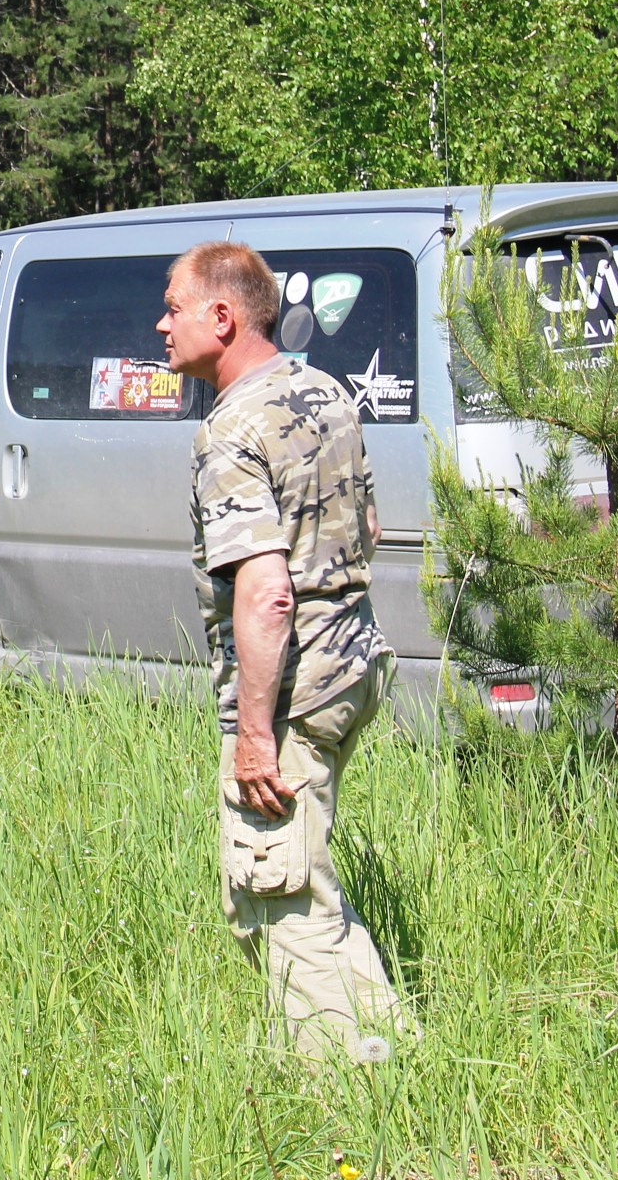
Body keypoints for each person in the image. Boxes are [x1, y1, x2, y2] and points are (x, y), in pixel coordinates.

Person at [159, 241, 400, 1060]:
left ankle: (334, 1088)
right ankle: (392, 1047)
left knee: (277, 893)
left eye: (174, 307)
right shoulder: (324, 390)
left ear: (222, 317)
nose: (162, 325)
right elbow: (369, 527)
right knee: (310, 875)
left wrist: (255, 735)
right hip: (356, 664)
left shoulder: (231, 429)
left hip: (295, 688)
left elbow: (266, 591)